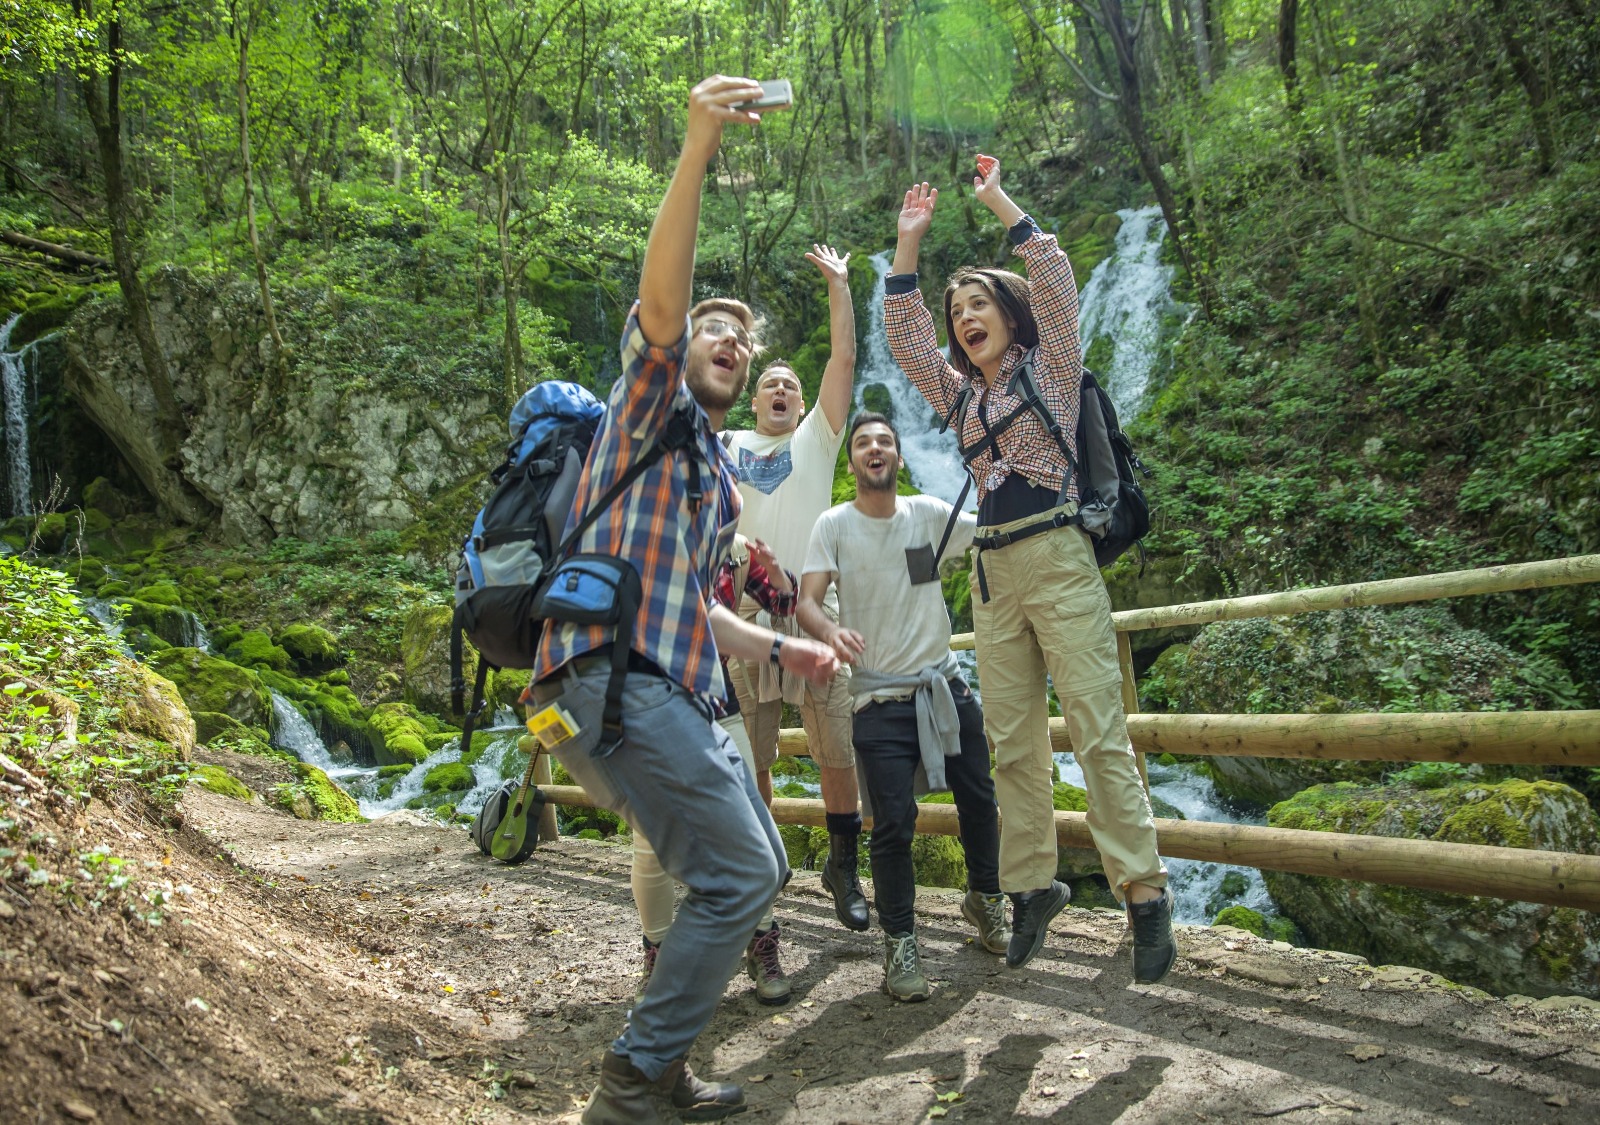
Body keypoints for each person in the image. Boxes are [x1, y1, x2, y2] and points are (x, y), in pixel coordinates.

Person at [528, 76, 840, 1125]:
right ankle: (635, 1078)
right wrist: (698, 145)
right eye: (715, 330)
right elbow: (662, 304)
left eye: (742, 340)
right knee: (741, 875)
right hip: (610, 680)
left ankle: (657, 1063)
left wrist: (783, 648)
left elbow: (697, 608)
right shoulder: (645, 406)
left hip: (677, 687)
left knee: (761, 867)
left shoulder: (713, 474)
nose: (730, 344)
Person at [882, 156, 1177, 984]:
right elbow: (907, 341)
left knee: (1096, 727)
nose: (964, 317)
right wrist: (909, 244)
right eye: (957, 311)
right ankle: (1031, 888)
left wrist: (998, 202)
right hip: (992, 573)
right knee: (1011, 743)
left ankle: (1145, 892)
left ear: (1009, 314)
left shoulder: (1050, 368)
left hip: (1057, 554)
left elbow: (1052, 276)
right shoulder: (960, 398)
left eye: (978, 303)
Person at [796, 413, 1008, 1001]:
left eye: (885, 441)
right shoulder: (834, 525)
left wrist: (1001, 470)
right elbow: (807, 601)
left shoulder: (928, 514)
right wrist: (830, 631)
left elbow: (992, 529)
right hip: (876, 696)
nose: (875, 448)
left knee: (980, 800)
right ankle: (900, 941)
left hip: (944, 685)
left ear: (899, 457)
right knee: (892, 823)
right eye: (863, 442)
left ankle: (986, 899)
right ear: (852, 462)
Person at [723, 244, 871, 935]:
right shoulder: (725, 445)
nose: (780, 390)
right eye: (770, 384)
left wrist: (840, 286)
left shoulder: (818, 439)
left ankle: (843, 863)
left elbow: (843, 360)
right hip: (745, 609)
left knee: (835, 742)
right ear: (753, 400)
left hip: (813, 607)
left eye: (790, 384)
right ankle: (765, 860)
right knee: (751, 752)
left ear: (803, 402)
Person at [631, 534, 798, 1007]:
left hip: (716, 701)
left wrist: (774, 569)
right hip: (648, 702)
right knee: (651, 840)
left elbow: (783, 603)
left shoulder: (733, 549)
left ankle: (761, 945)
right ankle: (660, 962)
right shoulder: (638, 527)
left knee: (750, 829)